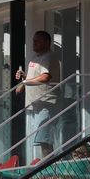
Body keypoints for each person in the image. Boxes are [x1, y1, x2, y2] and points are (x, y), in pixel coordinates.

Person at [16, 30, 61, 159]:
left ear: (47, 42)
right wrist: (24, 78)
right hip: (34, 104)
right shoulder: (36, 58)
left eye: (38, 40)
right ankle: (44, 168)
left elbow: (45, 77)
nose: (34, 43)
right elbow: (35, 77)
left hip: (46, 103)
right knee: (38, 139)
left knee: (44, 139)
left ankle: (49, 171)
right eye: (33, 40)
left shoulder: (49, 57)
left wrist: (25, 81)